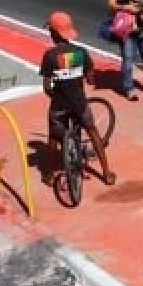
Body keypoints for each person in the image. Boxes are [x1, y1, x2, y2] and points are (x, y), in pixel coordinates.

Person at [38, 11, 116, 186]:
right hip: (79, 103)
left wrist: (57, 96)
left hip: (60, 104)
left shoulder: (50, 55)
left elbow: (47, 87)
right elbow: (90, 79)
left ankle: (49, 175)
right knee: (92, 131)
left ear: (54, 33)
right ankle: (106, 173)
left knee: (53, 136)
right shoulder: (81, 52)